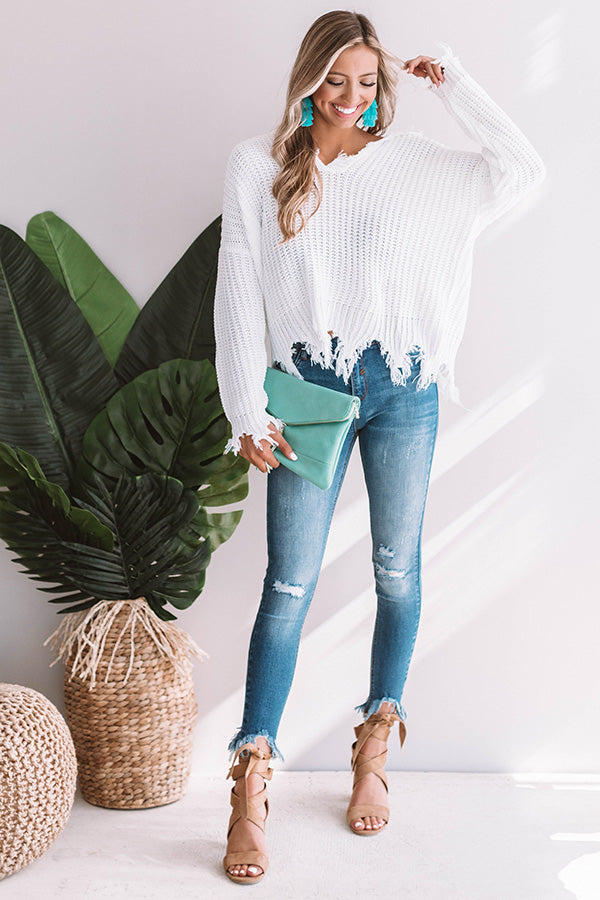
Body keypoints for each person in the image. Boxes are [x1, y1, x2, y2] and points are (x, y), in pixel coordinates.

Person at [213, 9, 545, 885]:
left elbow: (522, 169)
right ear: (308, 78)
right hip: (308, 395)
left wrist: (456, 85)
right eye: (336, 80)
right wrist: (245, 407)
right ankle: (250, 785)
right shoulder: (258, 166)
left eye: (367, 82)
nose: (351, 97)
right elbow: (237, 288)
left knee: (398, 572)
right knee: (289, 586)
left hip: (404, 388)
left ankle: (373, 750)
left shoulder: (416, 165)